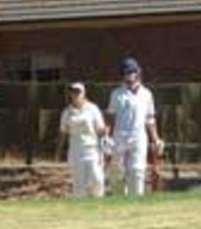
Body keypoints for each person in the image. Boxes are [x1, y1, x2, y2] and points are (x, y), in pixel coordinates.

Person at [105, 57, 163, 197]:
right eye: (126, 72)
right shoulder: (117, 94)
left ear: (138, 72)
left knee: (137, 170)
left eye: (132, 71)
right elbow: (111, 118)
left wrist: (155, 139)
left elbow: (150, 119)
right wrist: (107, 136)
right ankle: (119, 199)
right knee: (116, 171)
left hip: (138, 137)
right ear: (123, 74)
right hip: (120, 136)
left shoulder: (147, 94)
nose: (130, 75)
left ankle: (136, 201)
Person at [58, 82, 107, 198]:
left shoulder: (92, 109)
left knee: (97, 178)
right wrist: (59, 151)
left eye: (78, 92)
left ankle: (98, 201)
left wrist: (104, 131)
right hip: (76, 150)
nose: (75, 95)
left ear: (84, 93)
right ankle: (79, 207)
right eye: (73, 92)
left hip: (92, 149)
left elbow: (100, 128)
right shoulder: (67, 112)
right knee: (79, 184)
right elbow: (63, 131)